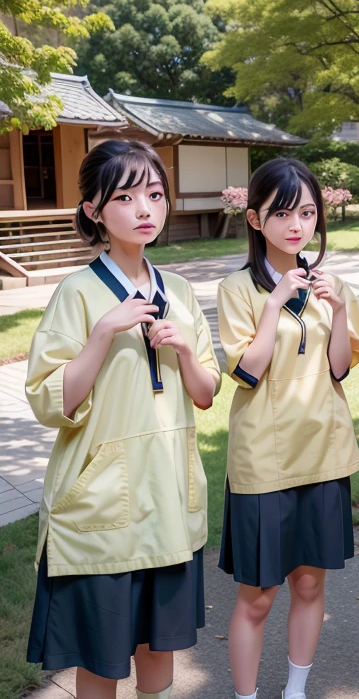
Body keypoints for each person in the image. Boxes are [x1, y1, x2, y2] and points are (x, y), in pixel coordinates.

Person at [25, 140, 221, 699]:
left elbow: (206, 394)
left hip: (168, 508)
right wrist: (103, 333)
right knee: (102, 663)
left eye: (155, 195)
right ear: (93, 210)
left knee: (159, 655)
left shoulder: (180, 292)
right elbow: (49, 401)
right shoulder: (78, 293)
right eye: (126, 196)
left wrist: (184, 350)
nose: (145, 209)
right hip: (102, 512)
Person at [217, 158, 359, 699]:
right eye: (282, 213)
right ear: (255, 220)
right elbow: (248, 371)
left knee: (309, 582)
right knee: (258, 595)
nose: (297, 225)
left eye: (306, 211)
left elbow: (341, 367)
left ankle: (295, 690)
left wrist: (341, 311)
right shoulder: (237, 289)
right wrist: (275, 303)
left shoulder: (333, 284)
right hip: (264, 460)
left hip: (324, 452)